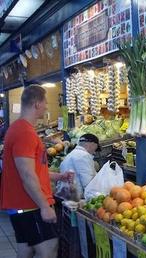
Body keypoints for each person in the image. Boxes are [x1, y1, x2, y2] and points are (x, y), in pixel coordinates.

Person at [0, 85, 73, 258]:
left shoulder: (19, 128)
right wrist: (44, 206)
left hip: (22, 205)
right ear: (36, 104)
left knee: (26, 249)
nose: (47, 106)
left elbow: (32, 171)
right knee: (48, 248)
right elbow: (27, 174)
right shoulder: (24, 132)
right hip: (29, 204)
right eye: (45, 102)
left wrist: (58, 176)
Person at [59, 133, 100, 199]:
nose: (94, 152)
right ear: (92, 144)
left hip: (66, 196)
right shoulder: (83, 156)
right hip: (76, 199)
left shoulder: (71, 155)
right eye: (95, 149)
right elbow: (88, 183)